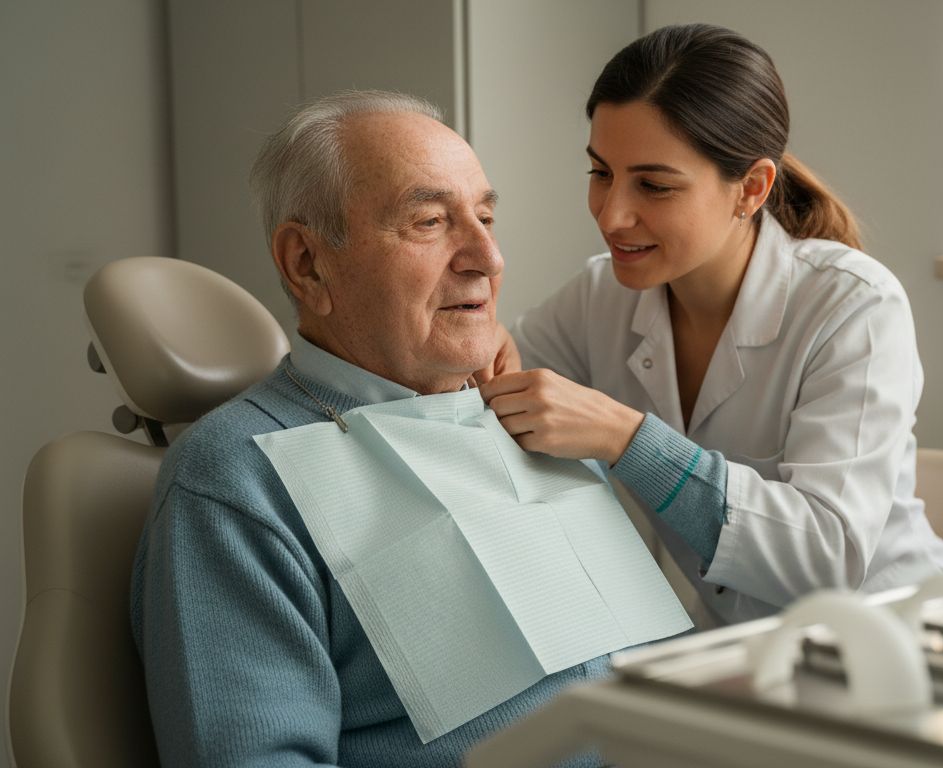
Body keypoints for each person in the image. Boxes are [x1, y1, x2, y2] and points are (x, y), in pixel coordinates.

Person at [130, 91, 603, 767]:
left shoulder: (533, 420)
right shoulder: (237, 479)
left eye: (487, 216)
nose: (487, 257)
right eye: (430, 222)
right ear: (307, 263)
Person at [481, 24, 943, 626]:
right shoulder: (600, 295)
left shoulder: (855, 306)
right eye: (600, 173)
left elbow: (829, 554)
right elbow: (498, 382)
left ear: (751, 189)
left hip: (896, 639)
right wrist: (479, 341)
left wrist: (628, 440)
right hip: (739, 650)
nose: (611, 213)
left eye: (653, 185)